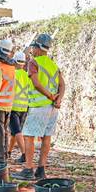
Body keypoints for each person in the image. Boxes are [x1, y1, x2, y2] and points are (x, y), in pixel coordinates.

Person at [18, 33, 65, 180]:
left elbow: (36, 83)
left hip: (39, 106)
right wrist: (58, 100)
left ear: (38, 48)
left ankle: (28, 169)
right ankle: (41, 170)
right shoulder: (53, 64)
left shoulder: (34, 62)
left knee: (28, 136)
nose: (32, 50)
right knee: (46, 137)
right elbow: (62, 85)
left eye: (33, 48)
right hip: (52, 108)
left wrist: (50, 96)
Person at [8, 51, 31, 162]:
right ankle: (8, 152)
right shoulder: (27, 75)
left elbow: (10, 90)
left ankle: (24, 154)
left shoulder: (13, 74)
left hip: (14, 107)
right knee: (14, 132)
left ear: (15, 61)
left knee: (17, 131)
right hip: (24, 107)